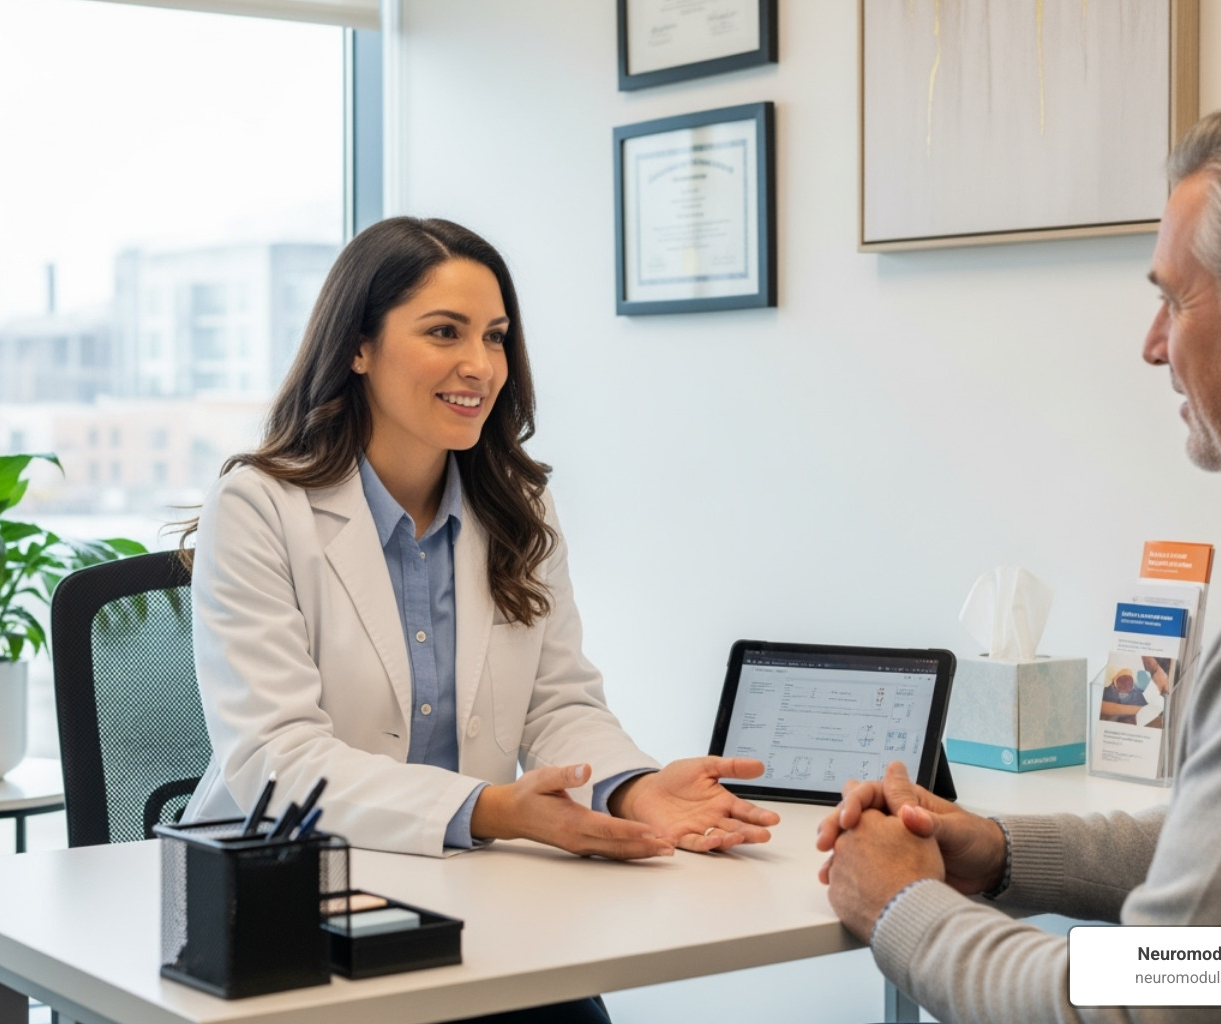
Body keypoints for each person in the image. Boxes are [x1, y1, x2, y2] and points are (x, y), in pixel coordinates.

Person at [816, 97, 1221, 1022]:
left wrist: (903, 908)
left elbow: (1151, 1008)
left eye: (1172, 299)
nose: (1154, 347)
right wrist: (999, 847)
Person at [182, 215, 778, 858]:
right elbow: (277, 757)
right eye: (444, 332)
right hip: (273, 875)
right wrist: (492, 809)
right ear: (359, 346)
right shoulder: (259, 507)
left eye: (494, 338)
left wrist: (635, 789)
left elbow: (556, 704)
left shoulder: (517, 506)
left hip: (460, 873)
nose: (480, 366)